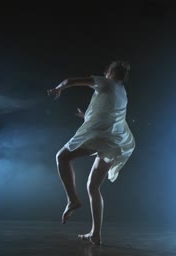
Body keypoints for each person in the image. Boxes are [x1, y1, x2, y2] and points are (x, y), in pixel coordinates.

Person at [47, 60, 135, 245]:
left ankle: (72, 200)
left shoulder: (105, 82)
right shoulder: (122, 92)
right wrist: (85, 116)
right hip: (115, 142)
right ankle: (96, 234)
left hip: (103, 137)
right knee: (93, 187)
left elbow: (70, 80)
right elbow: (106, 113)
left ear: (109, 72)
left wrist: (58, 89)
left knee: (61, 157)